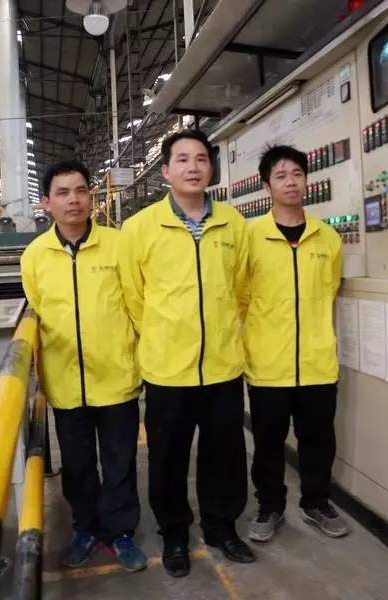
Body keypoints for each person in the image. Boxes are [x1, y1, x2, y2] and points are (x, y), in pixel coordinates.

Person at [119, 130, 255, 578]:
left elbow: (241, 288)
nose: (192, 167)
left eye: (200, 159)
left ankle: (222, 528)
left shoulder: (234, 224)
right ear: (165, 171)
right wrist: (162, 335)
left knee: (225, 456)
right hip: (167, 371)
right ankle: (174, 534)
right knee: (167, 460)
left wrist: (223, 332)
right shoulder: (140, 228)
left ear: (211, 168)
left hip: (222, 367)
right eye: (182, 159)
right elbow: (134, 296)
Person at [20, 160, 147, 572]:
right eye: (62, 193)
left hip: (116, 377)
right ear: (46, 203)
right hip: (66, 382)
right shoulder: (35, 256)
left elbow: (138, 306)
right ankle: (86, 529)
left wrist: (142, 361)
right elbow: (37, 313)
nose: (73, 200)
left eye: (80, 191)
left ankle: (121, 532)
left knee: (119, 462)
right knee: (77, 466)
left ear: (91, 197)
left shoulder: (119, 245)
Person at [244, 145, 349, 543]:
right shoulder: (250, 237)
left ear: (307, 180)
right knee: (268, 444)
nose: (291, 182)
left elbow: (330, 290)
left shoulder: (328, 238)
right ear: (266, 185)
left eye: (297, 174)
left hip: (317, 362)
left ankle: (316, 502)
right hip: (268, 365)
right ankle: (270, 506)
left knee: (319, 441)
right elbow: (239, 297)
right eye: (281, 176)